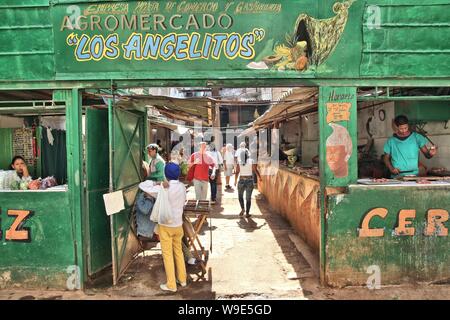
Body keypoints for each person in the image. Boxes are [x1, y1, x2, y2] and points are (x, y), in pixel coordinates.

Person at [159, 162, 187, 292]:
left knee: (167, 255)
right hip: (178, 225)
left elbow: (145, 187)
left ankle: (171, 285)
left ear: (166, 174)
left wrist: (159, 184)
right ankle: (182, 279)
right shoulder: (182, 187)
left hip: (166, 225)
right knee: (178, 252)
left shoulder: (164, 187)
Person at [235, 148, 261, 217]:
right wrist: (260, 177)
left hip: (241, 180)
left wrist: (235, 181)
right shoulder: (251, 161)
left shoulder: (239, 162)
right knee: (248, 198)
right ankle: (247, 213)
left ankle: (243, 209)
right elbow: (255, 170)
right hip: (249, 180)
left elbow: (237, 172)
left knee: (240, 196)